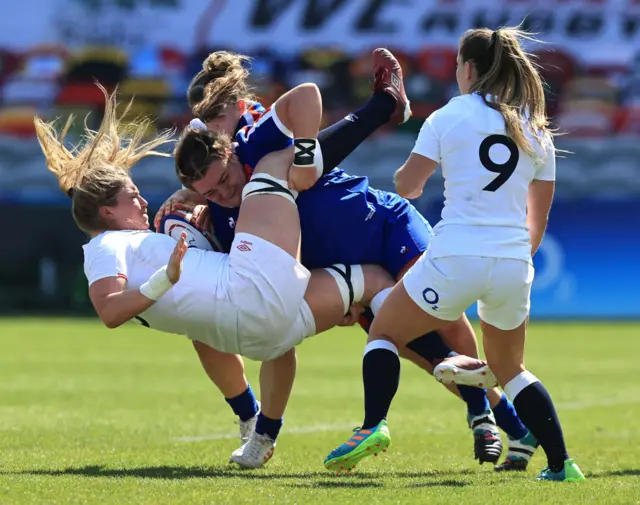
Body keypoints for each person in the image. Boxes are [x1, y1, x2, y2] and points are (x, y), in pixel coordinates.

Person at [159, 48, 538, 469]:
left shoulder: (254, 138)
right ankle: (512, 425)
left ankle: (484, 415)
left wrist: (303, 152)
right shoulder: (219, 200)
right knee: (425, 353)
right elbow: (277, 252)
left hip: (383, 223)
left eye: (215, 116)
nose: (222, 192)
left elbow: (305, 97)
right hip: (350, 264)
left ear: (236, 105)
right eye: (201, 120)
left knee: (444, 317)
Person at [33, 85, 395, 469]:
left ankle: (260, 430)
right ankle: (374, 113)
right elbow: (109, 311)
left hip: (260, 332)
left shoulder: (147, 240)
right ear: (107, 212)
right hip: (254, 291)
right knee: (272, 165)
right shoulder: (107, 245)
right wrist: (166, 276)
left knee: (371, 280)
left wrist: (198, 217)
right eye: (132, 195)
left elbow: (196, 283)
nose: (142, 201)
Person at [324, 27, 585, 482]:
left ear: (467, 69)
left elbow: (408, 186)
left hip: (456, 256)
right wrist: (513, 261)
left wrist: (410, 171)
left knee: (383, 333)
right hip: (511, 262)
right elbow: (536, 223)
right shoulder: (534, 128)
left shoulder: (448, 116)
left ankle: (372, 426)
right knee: (511, 369)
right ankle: (563, 465)